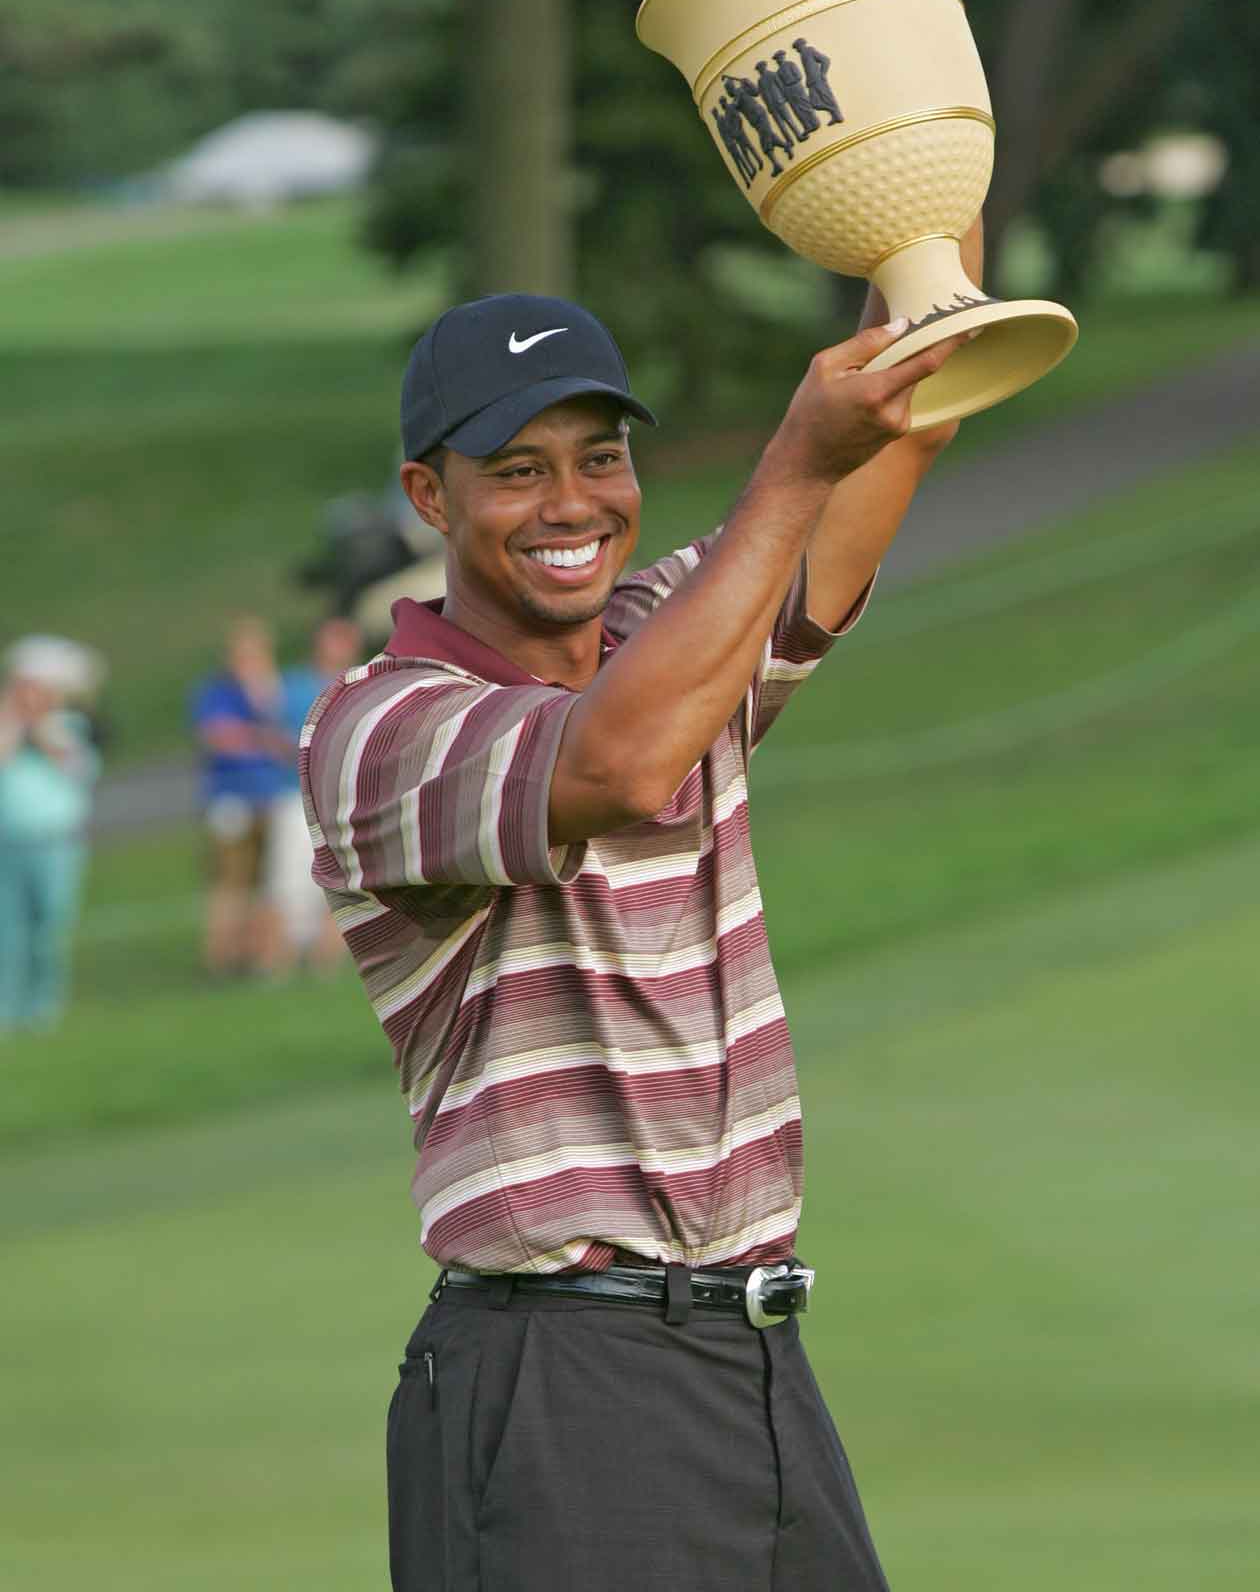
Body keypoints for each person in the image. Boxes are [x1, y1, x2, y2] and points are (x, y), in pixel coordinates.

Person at [300, 246, 981, 1591]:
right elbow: (613, 766)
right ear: (427, 496)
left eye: (600, 457)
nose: (574, 503)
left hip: (754, 1355)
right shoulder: (380, 728)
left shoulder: (678, 636)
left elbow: (900, 427)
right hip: (559, 1377)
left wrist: (916, 202)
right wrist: (788, 465)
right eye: (518, 469)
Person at [0, 635, 104, 1031]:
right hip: (9, 842)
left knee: (49, 928)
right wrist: (12, 719)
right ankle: (8, 1008)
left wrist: (39, 724)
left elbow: (75, 766)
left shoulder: (67, 727)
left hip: (57, 843)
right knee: (8, 932)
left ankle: (44, 1007)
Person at [190, 616, 290, 977]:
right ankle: (222, 956)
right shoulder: (215, 691)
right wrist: (263, 739)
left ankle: (258, 953)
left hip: (270, 794)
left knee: (269, 881)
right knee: (230, 882)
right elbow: (219, 737)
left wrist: (261, 697)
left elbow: (289, 732)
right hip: (230, 798)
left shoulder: (273, 688)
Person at [265, 618, 361, 970]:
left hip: (342, 801)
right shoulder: (294, 686)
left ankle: (326, 965)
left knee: (343, 884)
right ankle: (278, 962)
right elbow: (274, 736)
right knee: (288, 883)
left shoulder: (360, 684)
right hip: (297, 798)